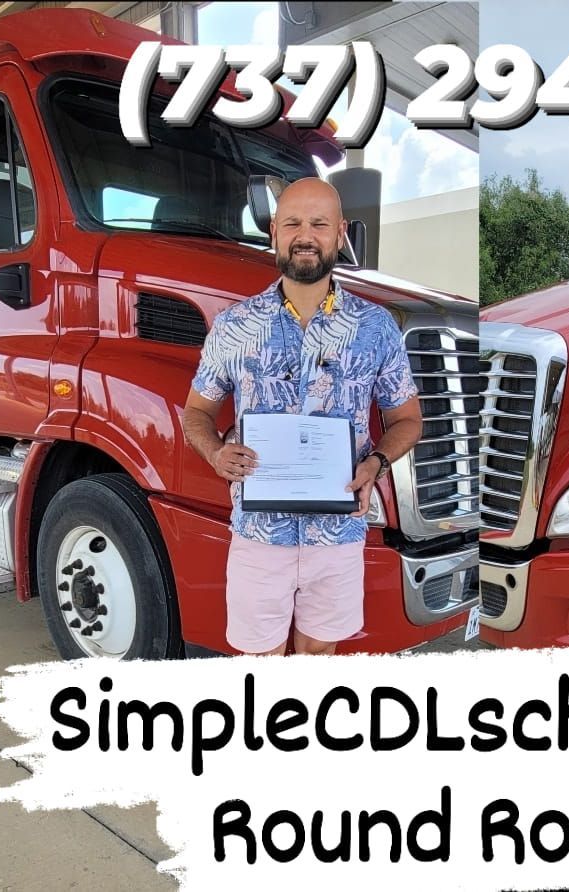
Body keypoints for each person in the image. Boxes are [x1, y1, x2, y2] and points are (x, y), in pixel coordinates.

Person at [182, 178, 422, 656]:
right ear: (274, 232)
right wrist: (215, 452)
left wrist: (374, 463)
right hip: (258, 533)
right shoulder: (234, 326)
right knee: (259, 658)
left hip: (337, 534)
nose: (305, 235)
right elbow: (196, 412)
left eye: (319, 223)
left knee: (317, 657)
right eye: (292, 222)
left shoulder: (375, 328)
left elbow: (408, 419)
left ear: (340, 234)